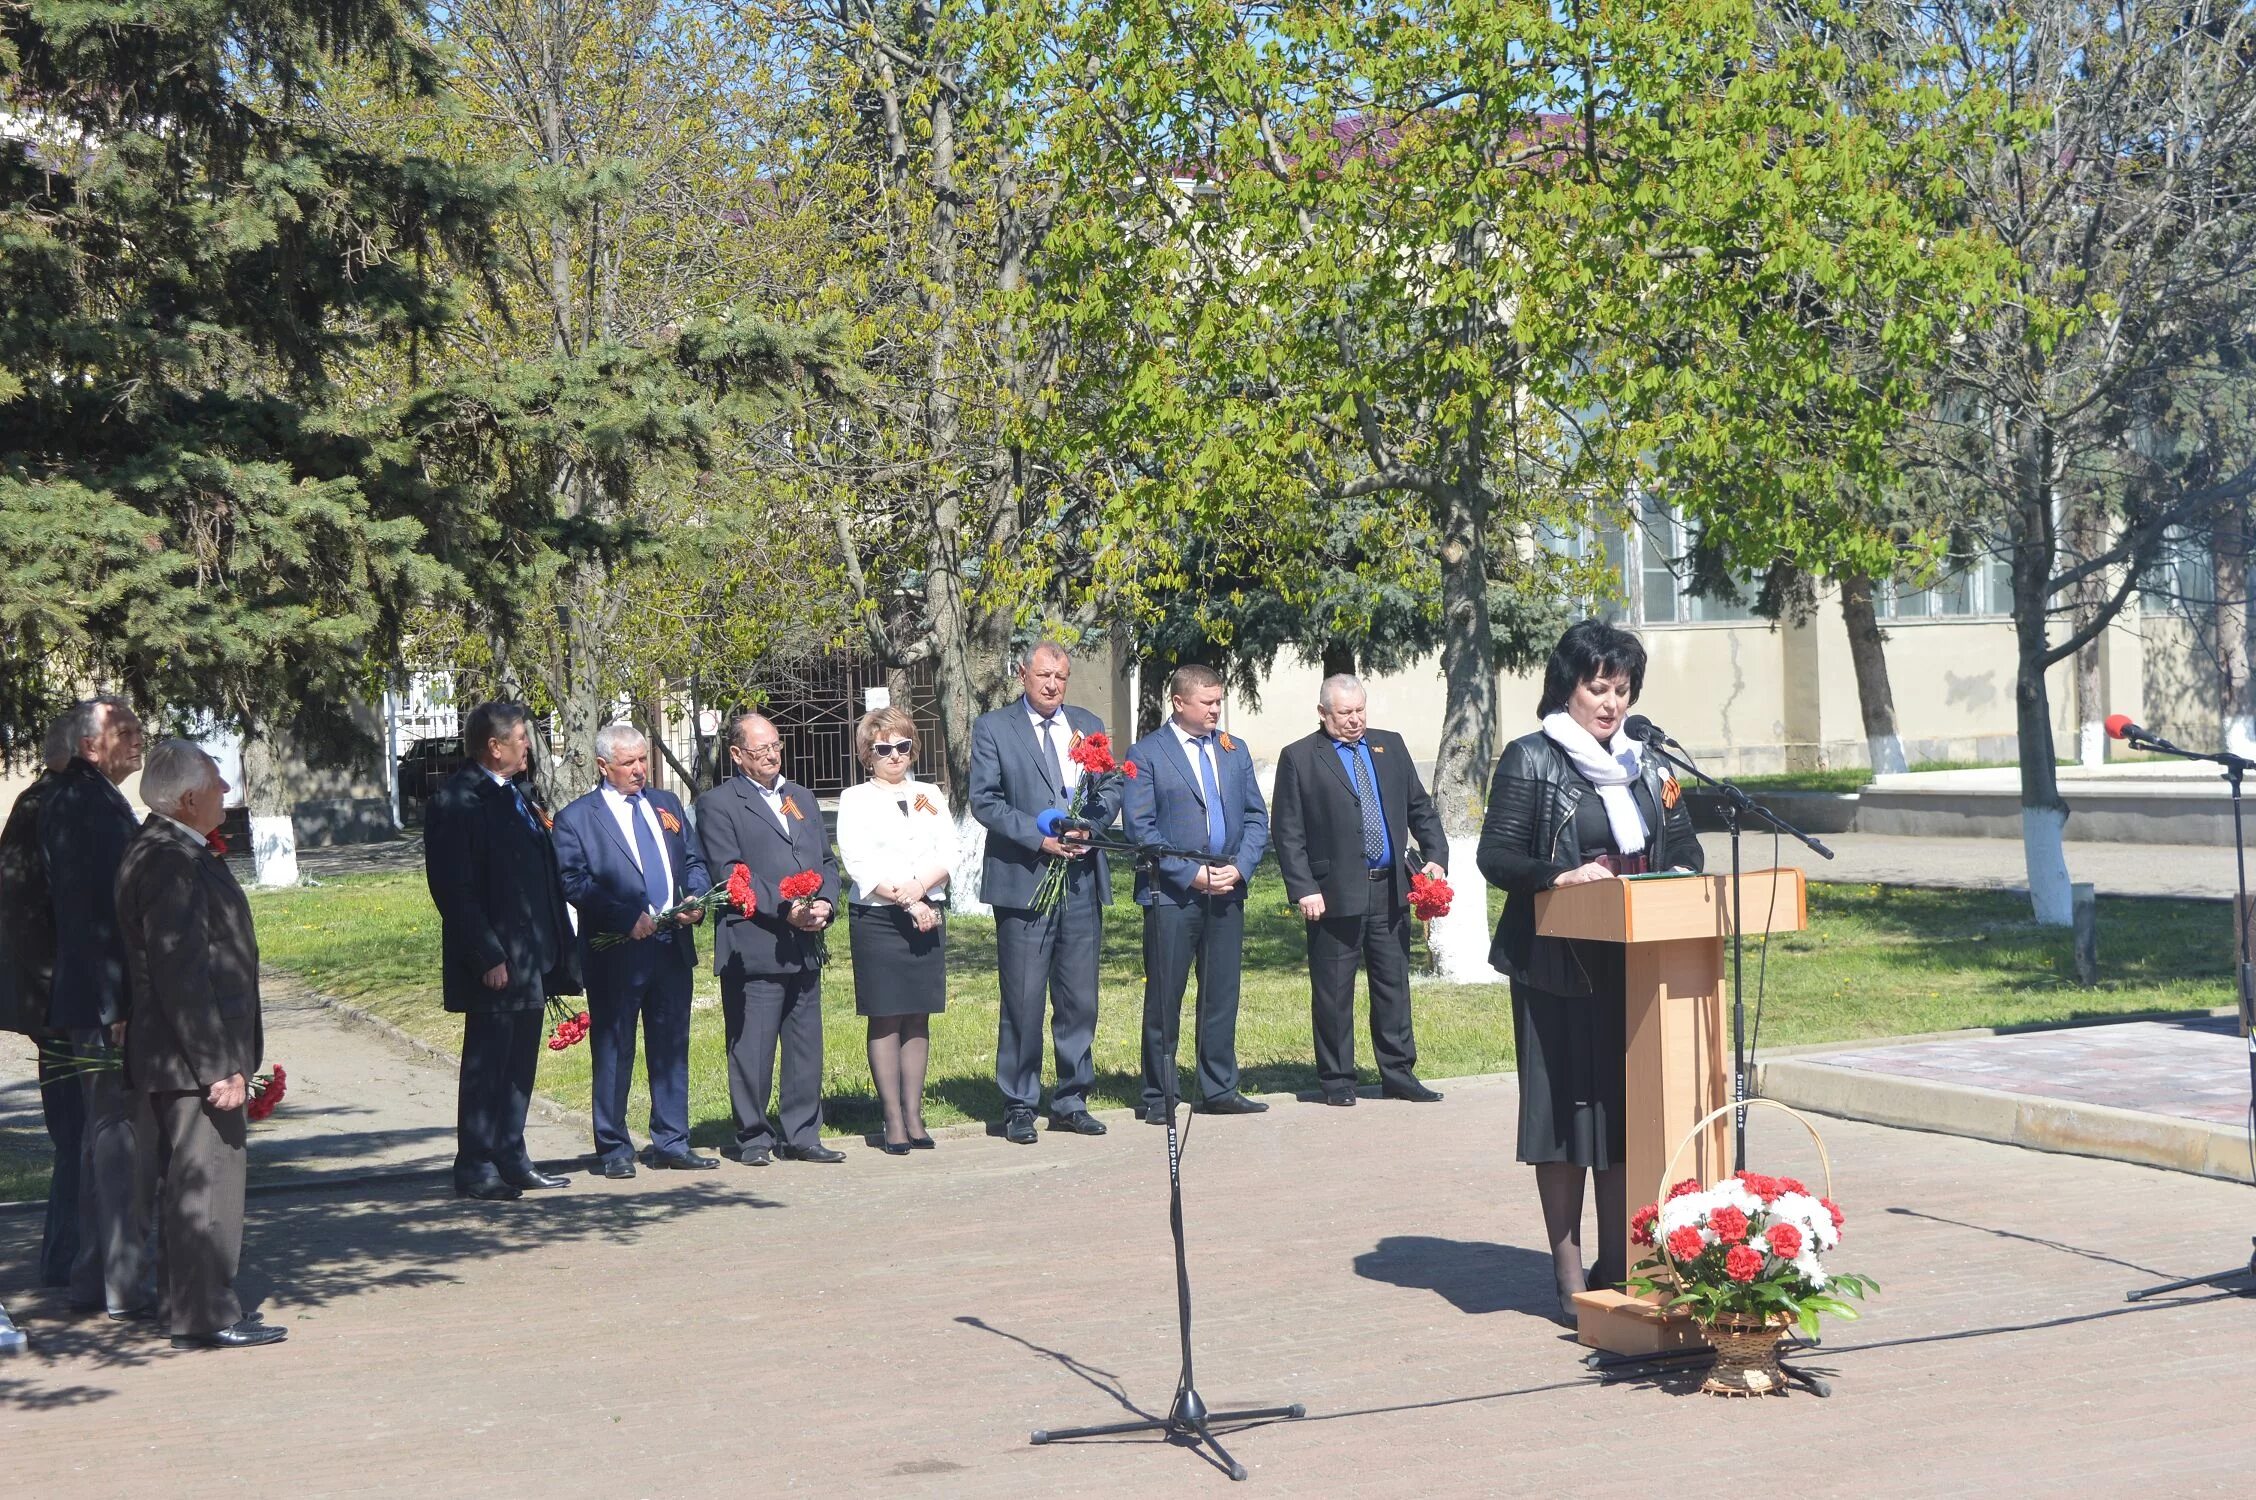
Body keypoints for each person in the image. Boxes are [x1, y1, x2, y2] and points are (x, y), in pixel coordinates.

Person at [1475, 619, 1703, 1324]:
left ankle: (1620, 1261)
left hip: (1639, 965)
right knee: (1567, 1115)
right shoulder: (1532, 759)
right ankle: (1569, 1269)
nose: (1609, 703)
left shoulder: (1651, 764)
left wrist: (1679, 879)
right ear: (1567, 687)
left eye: (1621, 689)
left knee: (1624, 1113)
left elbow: (1687, 847)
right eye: (1596, 687)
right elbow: (1496, 857)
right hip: (1558, 967)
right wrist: (1562, 874)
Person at [115, 739, 285, 1349]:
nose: (228, 793)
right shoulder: (168, 859)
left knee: (191, 1184)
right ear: (188, 799)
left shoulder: (173, 850)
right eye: (218, 782)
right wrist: (219, 1065)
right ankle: (207, 1315)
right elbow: (181, 972)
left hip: (179, 1055)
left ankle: (185, 1305)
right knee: (209, 1186)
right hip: (191, 1060)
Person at [424, 701, 580, 1201]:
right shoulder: (459, 800)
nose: (527, 747)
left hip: (532, 956)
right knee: (487, 1064)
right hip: (495, 961)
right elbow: (454, 889)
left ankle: (512, 1155)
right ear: (495, 747)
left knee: (517, 1064)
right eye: (521, 739)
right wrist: (487, 955)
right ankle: (475, 1163)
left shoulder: (515, 794)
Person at [1272, 674, 1450, 1107]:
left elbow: (1419, 808)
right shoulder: (1299, 757)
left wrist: (1436, 856)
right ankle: (1337, 1080)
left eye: (1360, 711)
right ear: (1323, 714)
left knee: (1393, 986)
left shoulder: (1389, 746)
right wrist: (1303, 889)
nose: (1354, 721)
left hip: (1390, 890)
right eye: (1344, 714)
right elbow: (1288, 831)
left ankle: (1399, 1073)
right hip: (1332, 894)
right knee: (1334, 991)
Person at [967, 643, 1117, 1144]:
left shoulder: (1087, 721)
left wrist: (1089, 827)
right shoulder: (994, 728)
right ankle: (1019, 1103)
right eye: (1043, 675)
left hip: (1079, 880)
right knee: (1024, 998)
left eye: (1061, 677)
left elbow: (1109, 787)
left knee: (1079, 999)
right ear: (1021, 674)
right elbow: (985, 801)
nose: (1052, 685)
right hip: (1024, 881)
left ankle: (1072, 1099)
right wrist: (1040, 836)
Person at [551, 723, 714, 1178]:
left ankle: (672, 1141)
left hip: (670, 946)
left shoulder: (666, 805)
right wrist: (624, 917)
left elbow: (695, 862)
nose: (640, 770)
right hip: (617, 951)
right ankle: (614, 1147)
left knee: (670, 1047)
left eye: (643, 760)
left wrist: (694, 901)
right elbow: (574, 881)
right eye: (629, 763)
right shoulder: (577, 819)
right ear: (604, 766)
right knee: (615, 1048)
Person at [42, 696, 158, 1319]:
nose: (138, 739)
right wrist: (117, 1002)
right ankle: (122, 1284)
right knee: (115, 1141)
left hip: (90, 995)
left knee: (98, 1139)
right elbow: (95, 918)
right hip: (100, 1000)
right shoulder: (85, 806)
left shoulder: (93, 799)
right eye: (125, 731)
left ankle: (92, 1275)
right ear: (92, 747)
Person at [693, 712, 844, 1165]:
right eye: (761, 750)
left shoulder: (800, 797)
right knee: (752, 1046)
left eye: (776, 745)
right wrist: (786, 910)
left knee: (804, 1043)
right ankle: (754, 1136)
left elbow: (826, 861)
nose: (773, 755)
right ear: (737, 755)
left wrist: (825, 905)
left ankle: (802, 1133)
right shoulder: (718, 803)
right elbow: (729, 872)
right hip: (756, 941)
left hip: (805, 943)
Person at [1122, 664, 1270, 1121]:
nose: (1215, 710)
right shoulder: (1146, 753)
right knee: (1165, 998)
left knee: (1221, 994)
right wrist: (1190, 874)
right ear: (1179, 702)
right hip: (1172, 896)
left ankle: (1219, 1088)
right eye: (1207, 703)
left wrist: (1239, 869)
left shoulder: (1233, 750)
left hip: (1226, 890)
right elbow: (1140, 829)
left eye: (1218, 701)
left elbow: (1255, 819)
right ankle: (1159, 1095)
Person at [835, 707, 954, 1154]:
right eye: (884, 748)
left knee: (918, 1014)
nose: (895, 755)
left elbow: (948, 848)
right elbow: (857, 862)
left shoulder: (929, 794)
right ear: (868, 754)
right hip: (879, 916)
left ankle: (915, 1114)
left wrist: (922, 889)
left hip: (927, 911)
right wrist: (907, 899)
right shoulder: (855, 798)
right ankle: (892, 1119)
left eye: (902, 746)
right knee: (886, 1016)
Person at [0, 714, 87, 1289]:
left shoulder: (42, 803)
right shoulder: (53, 807)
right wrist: (72, 990)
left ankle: (66, 1258)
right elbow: (29, 914)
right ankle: (70, 1261)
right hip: (66, 1012)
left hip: (58, 1007)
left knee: (78, 1134)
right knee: (81, 1133)